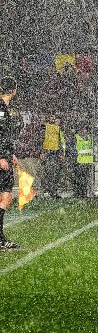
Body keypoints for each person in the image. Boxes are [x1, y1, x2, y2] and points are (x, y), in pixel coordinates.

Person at [0, 77, 22, 249]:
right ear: (13, 91)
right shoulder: (1, 108)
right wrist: (1, 156)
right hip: (2, 158)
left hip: (6, 156)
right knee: (6, 196)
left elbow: (5, 137)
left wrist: (10, 154)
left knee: (4, 197)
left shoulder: (5, 108)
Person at [41, 114, 66, 199]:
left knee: (56, 173)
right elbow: (40, 139)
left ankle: (53, 191)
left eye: (54, 117)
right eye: (51, 116)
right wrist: (41, 152)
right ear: (48, 118)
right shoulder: (44, 126)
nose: (53, 118)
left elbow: (60, 141)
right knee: (48, 172)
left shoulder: (58, 128)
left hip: (56, 152)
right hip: (47, 152)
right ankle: (46, 191)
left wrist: (61, 153)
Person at [72, 122, 95, 199]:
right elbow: (73, 150)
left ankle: (84, 194)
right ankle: (78, 193)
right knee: (79, 179)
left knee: (86, 179)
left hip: (89, 162)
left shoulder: (90, 138)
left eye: (85, 129)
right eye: (82, 129)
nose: (83, 131)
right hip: (80, 162)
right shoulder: (76, 138)